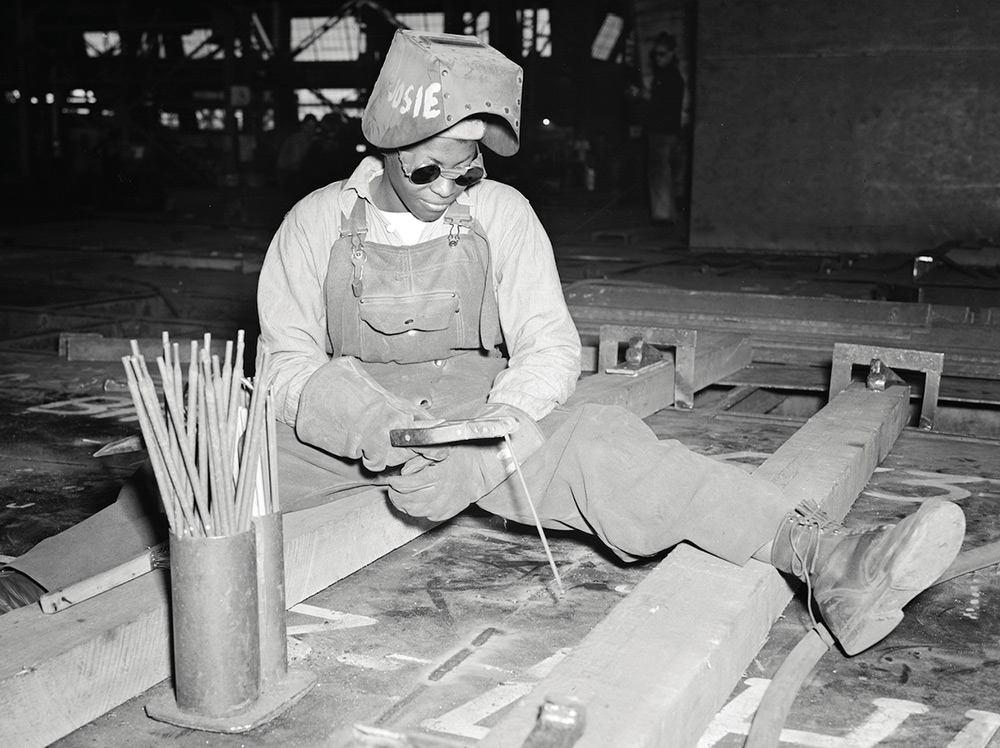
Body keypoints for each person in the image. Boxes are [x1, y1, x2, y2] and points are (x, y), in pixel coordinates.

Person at [0, 31, 966, 660]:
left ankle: (831, 561)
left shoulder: (500, 217)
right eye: (438, 164)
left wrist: (487, 442)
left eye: (470, 168)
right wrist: (379, 427)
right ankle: (26, 587)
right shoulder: (310, 226)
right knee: (198, 474)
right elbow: (285, 367)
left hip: (473, 410)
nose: (456, 184)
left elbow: (548, 347)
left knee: (606, 450)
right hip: (340, 417)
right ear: (386, 140)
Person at [645, 31, 687, 224]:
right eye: (656, 55)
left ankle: (662, 214)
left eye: (662, 54)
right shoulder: (667, 76)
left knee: (660, 173)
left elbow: (663, 107)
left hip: (663, 132)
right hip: (667, 131)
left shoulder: (670, 77)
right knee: (665, 173)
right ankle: (666, 213)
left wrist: (644, 98)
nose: (658, 58)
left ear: (671, 53)